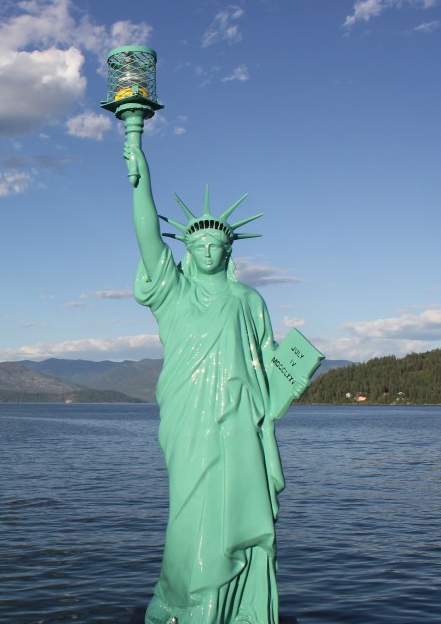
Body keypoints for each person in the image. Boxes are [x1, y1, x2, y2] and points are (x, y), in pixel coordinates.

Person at [125, 140, 307, 624]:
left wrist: (291, 378)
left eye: (216, 245)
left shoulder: (249, 299)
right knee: (188, 519)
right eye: (198, 244)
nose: (207, 251)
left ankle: (234, 610)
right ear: (187, 249)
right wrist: (140, 170)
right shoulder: (174, 292)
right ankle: (185, 605)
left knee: (235, 522)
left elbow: (267, 360)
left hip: (239, 426)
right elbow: (148, 236)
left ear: (229, 251)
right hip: (190, 424)